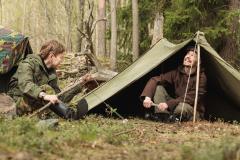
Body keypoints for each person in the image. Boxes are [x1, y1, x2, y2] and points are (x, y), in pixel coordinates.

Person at [7, 40, 91, 120]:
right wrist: (45, 95)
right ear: (52, 56)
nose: (62, 61)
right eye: (61, 58)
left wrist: (80, 84)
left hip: (36, 103)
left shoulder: (51, 72)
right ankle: (70, 115)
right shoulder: (27, 64)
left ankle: (69, 114)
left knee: (50, 93)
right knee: (47, 88)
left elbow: (58, 97)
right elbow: (25, 85)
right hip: (17, 105)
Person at [140, 46, 207, 122]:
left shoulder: (201, 77)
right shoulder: (177, 72)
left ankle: (170, 118)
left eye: (192, 56)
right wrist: (147, 97)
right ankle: (162, 116)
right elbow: (155, 79)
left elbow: (189, 98)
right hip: (176, 104)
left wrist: (168, 104)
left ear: (199, 62)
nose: (188, 56)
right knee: (159, 88)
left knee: (181, 107)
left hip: (191, 110)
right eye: (187, 54)